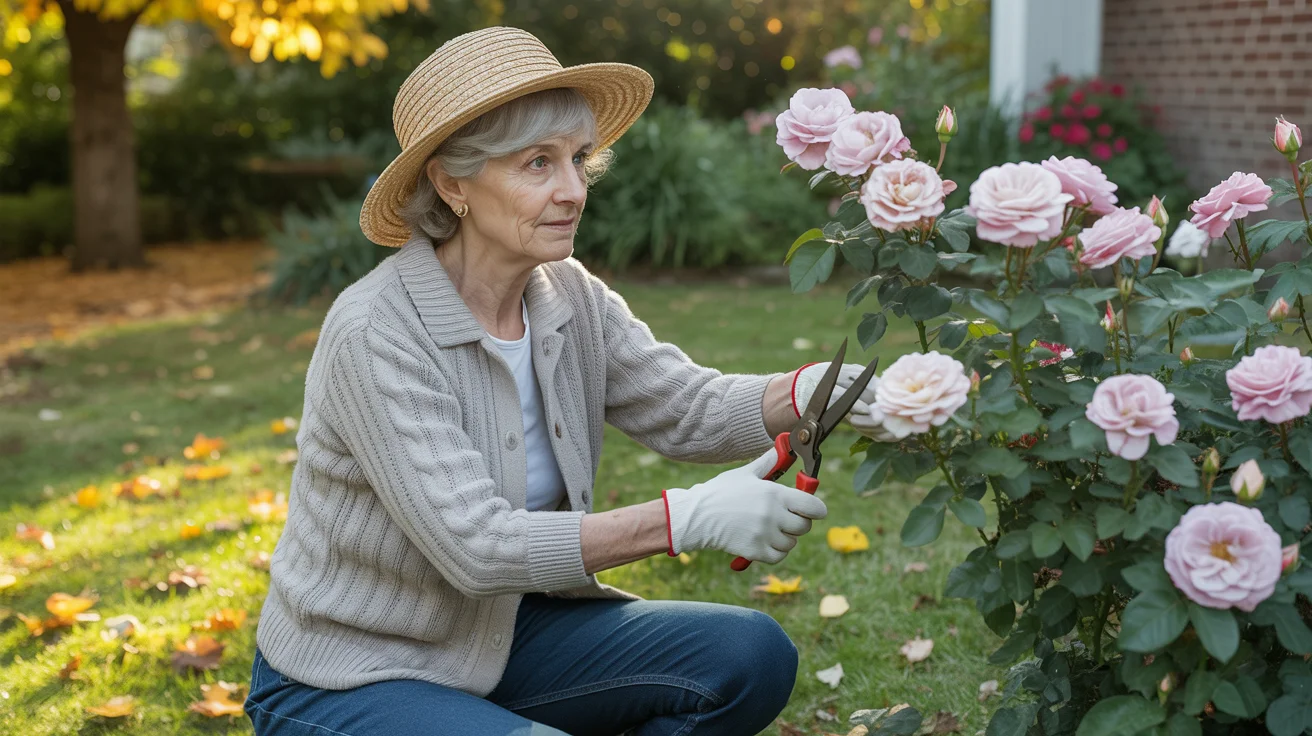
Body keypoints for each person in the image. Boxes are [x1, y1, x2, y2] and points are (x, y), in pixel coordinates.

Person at [244, 26, 881, 736]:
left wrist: (810, 392)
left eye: (578, 159)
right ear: (452, 182)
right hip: (350, 675)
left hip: (505, 639)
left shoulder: (566, 294)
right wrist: (684, 518)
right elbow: (477, 547)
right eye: (537, 164)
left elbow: (684, 405)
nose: (573, 190)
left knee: (750, 656)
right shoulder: (376, 332)